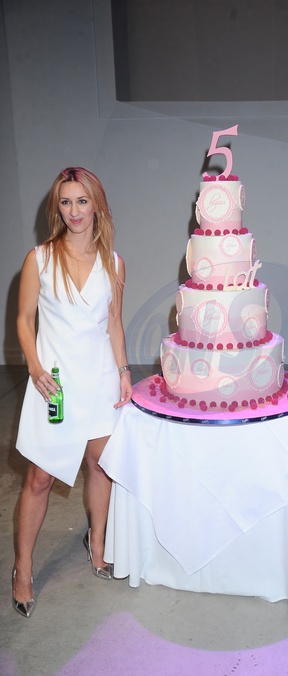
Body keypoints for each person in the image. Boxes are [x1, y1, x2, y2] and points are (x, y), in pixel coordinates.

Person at [12, 167, 133, 617]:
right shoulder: (40, 258)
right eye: (66, 202)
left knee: (101, 465)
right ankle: (23, 568)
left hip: (100, 377)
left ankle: (97, 546)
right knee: (40, 478)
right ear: (57, 208)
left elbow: (114, 322)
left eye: (82, 201)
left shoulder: (114, 262)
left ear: (96, 204)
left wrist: (124, 371)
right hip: (55, 384)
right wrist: (34, 366)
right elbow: (24, 320)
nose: (74, 211)